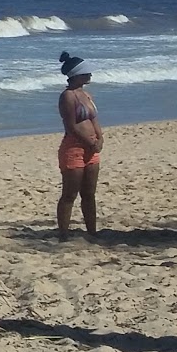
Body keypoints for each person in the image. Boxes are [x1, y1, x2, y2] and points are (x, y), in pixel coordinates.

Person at [57, 52, 103, 238]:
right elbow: (71, 125)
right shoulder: (67, 96)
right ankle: (64, 233)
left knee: (89, 193)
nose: (90, 75)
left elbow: (94, 118)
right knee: (70, 194)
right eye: (87, 73)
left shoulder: (86, 94)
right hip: (74, 148)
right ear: (77, 74)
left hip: (91, 148)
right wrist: (90, 141)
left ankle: (92, 231)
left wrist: (99, 138)